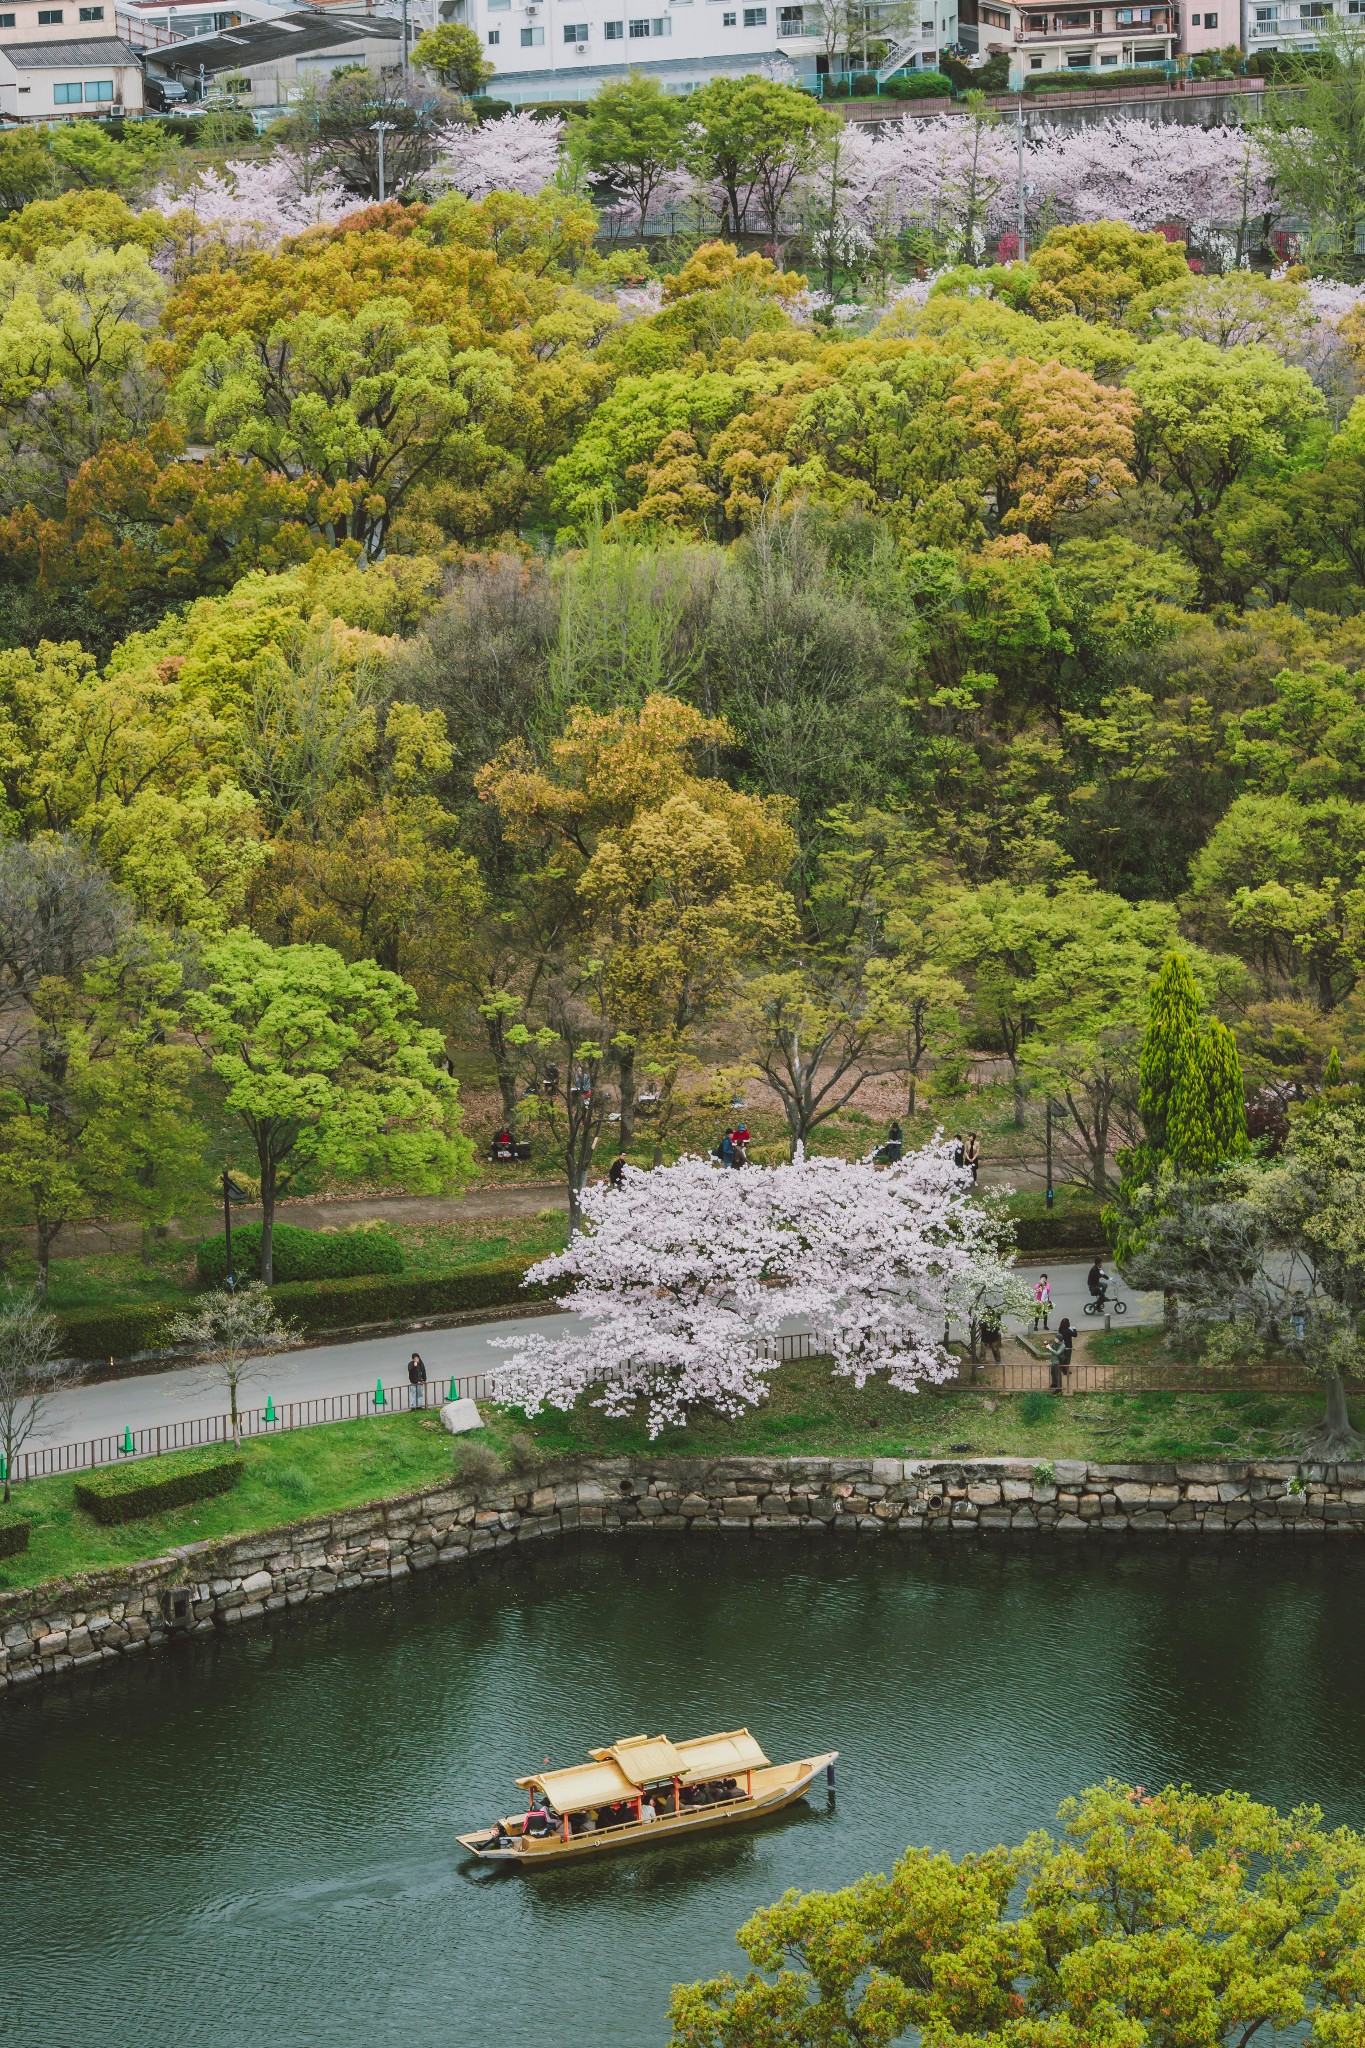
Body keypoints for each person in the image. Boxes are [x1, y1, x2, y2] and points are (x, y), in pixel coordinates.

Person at [1050, 1318, 1074, 1393]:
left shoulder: (1062, 1345)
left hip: (1057, 1361)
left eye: (1056, 1338)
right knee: (1053, 1372)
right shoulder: (1055, 1343)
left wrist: (1049, 1348)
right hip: (1053, 1361)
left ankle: (1059, 1387)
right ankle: (1054, 1383)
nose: (1055, 1339)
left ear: (1059, 1339)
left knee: (1057, 1374)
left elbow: (1057, 1353)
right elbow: (1052, 1348)